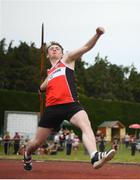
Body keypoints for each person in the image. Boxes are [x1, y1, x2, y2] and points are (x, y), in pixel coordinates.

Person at [23, 27, 115, 171]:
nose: (54, 49)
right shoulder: (49, 74)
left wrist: (97, 35)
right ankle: (27, 155)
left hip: (71, 104)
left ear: (61, 53)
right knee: (37, 142)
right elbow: (42, 87)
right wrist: (40, 89)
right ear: (47, 55)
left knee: (86, 124)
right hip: (52, 109)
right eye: (51, 48)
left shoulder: (67, 59)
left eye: (57, 48)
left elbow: (86, 47)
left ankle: (95, 156)